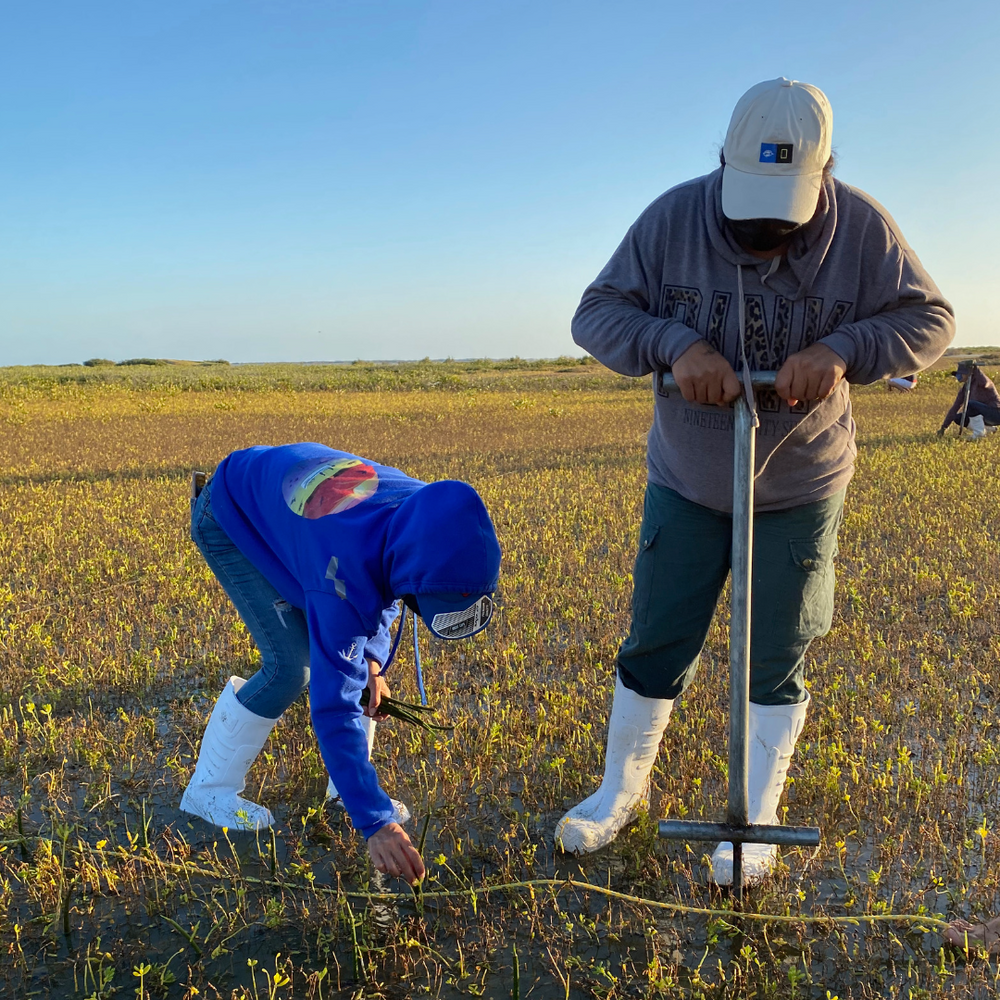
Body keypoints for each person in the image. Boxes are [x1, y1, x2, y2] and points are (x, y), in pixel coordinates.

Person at [558, 77, 955, 885]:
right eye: (751, 216)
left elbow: (931, 320)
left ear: (825, 173)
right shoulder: (672, 218)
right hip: (689, 479)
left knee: (777, 649)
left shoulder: (866, 229)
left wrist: (844, 348)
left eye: (784, 217)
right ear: (722, 167)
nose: (766, 235)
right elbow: (595, 313)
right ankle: (617, 794)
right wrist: (675, 344)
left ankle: (755, 819)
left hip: (801, 486)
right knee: (657, 638)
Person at [180, 443, 501, 885]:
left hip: (299, 521)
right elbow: (333, 705)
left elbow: (387, 586)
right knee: (291, 668)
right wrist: (376, 822)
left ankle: (344, 789)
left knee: (359, 669)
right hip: (230, 515)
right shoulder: (342, 569)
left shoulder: (427, 511)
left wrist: (371, 661)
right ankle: (207, 791)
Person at [938, 361, 1000, 439]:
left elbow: (985, 383)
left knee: (971, 404)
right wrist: (944, 427)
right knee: (958, 418)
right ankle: (989, 429)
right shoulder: (965, 389)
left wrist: (976, 369)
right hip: (984, 417)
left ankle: (979, 433)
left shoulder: (981, 381)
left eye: (960, 374)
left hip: (996, 413)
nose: (958, 377)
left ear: (968, 374)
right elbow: (955, 408)